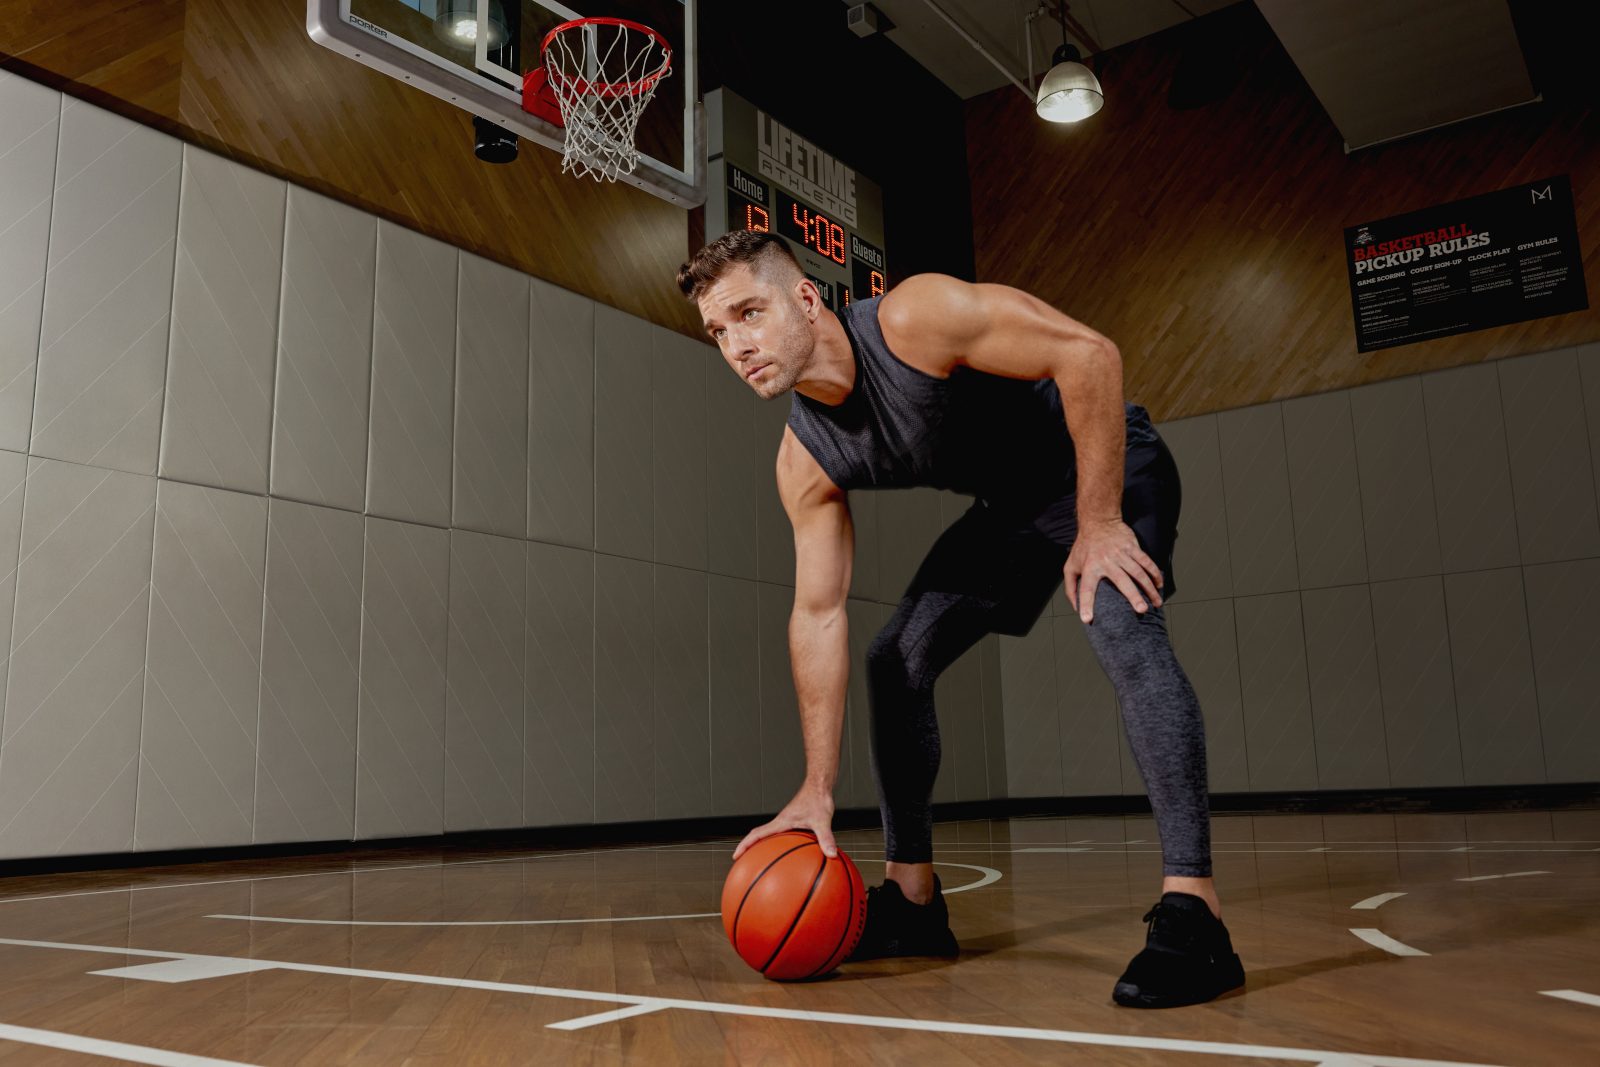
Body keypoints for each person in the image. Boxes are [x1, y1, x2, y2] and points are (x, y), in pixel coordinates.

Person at [677, 231, 1244, 1009]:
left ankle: (1196, 913)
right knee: (894, 659)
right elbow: (817, 613)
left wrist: (1101, 517)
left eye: (749, 312)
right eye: (719, 331)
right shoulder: (805, 461)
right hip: (1012, 512)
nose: (738, 345)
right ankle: (912, 904)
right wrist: (816, 787)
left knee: (1118, 620)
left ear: (806, 298)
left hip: (1101, 463)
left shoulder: (914, 319)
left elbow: (1091, 355)